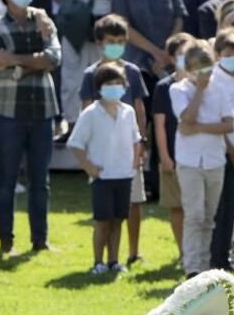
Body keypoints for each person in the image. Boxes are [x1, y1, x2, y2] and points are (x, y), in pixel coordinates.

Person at [0, 0, 62, 257]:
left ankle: (39, 240)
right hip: (8, 112)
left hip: (43, 109)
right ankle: (5, 239)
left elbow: (54, 58)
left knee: (40, 180)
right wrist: (35, 62)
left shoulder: (44, 22)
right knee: (6, 179)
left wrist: (17, 61)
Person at [80, 14, 149, 264]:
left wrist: (140, 144)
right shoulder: (91, 74)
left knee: (133, 202)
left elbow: (140, 108)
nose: (116, 45)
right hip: (103, 154)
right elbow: (86, 109)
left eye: (120, 40)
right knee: (106, 211)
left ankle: (132, 252)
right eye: (111, 40)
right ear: (100, 42)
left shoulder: (132, 71)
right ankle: (103, 259)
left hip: (129, 149)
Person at [68, 61, 142, 275]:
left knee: (118, 220)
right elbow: (76, 144)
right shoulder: (91, 113)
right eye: (109, 83)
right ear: (99, 87)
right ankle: (98, 262)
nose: (114, 87)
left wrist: (134, 162)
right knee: (102, 221)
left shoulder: (127, 111)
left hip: (124, 175)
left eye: (118, 83)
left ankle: (113, 260)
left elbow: (135, 138)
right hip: (102, 176)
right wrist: (89, 168)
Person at [170, 41, 234, 278]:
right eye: (197, 68)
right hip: (189, 162)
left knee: (209, 217)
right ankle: (192, 267)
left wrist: (198, 127)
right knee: (194, 214)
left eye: (206, 67)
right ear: (188, 68)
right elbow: (186, 118)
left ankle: (204, 265)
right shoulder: (178, 90)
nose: (203, 73)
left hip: (214, 160)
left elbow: (229, 124)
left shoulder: (220, 90)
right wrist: (198, 90)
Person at [152, 31, 194, 260]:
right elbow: (159, 125)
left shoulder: (201, 85)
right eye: (180, 54)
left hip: (197, 156)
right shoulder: (163, 87)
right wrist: (165, 156)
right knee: (177, 207)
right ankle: (182, 252)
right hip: (173, 156)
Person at [210, 28, 234, 274]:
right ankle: (214, 256)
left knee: (231, 205)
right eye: (229, 53)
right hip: (220, 150)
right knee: (219, 206)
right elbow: (216, 117)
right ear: (218, 54)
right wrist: (229, 147)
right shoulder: (214, 80)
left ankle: (226, 256)